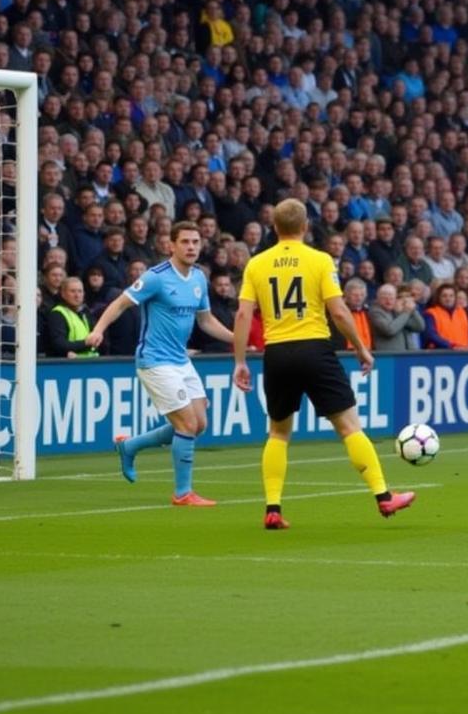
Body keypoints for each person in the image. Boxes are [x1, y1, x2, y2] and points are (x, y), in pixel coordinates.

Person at [232, 199, 415, 529]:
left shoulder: (257, 264)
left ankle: (273, 508)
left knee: (277, 432)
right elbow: (340, 311)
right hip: (315, 348)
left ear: (274, 228)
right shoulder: (320, 260)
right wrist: (360, 347)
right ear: (305, 227)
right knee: (348, 426)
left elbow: (244, 314)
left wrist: (240, 361)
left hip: (277, 352)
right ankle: (384, 497)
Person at [85, 221, 236, 506]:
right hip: (154, 360)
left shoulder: (198, 279)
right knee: (187, 423)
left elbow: (205, 320)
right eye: (185, 242)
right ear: (172, 246)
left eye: (195, 242)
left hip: (180, 360)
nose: (191, 247)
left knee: (198, 423)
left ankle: (130, 446)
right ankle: (182, 493)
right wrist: (98, 329)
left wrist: (235, 338)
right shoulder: (155, 277)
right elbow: (120, 303)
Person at [44, 276, 99, 358]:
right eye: (72, 291)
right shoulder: (57, 314)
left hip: (87, 363)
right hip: (67, 366)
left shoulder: (85, 314)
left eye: (80, 291)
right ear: (63, 294)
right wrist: (85, 343)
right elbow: (59, 344)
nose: (77, 295)